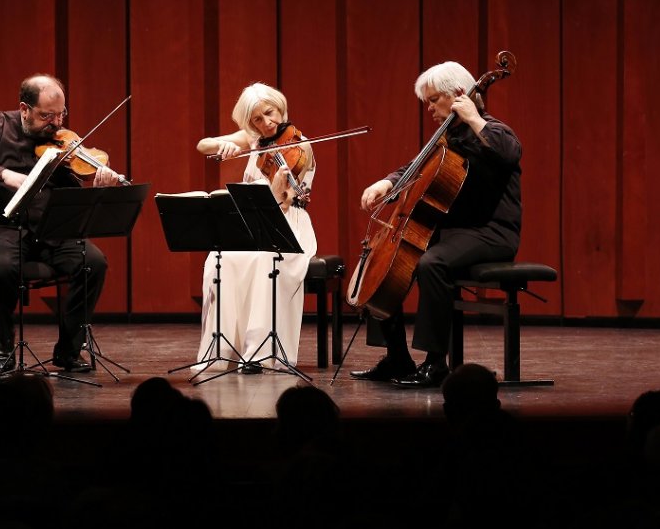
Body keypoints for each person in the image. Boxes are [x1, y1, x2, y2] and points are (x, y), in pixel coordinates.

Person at [351, 61, 522, 388]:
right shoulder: (449, 138)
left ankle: (435, 363)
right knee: (386, 261)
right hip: (454, 234)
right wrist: (387, 183)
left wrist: (472, 117)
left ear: (458, 95)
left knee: (432, 263)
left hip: (492, 232)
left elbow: (511, 153)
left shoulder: (492, 130)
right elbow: (414, 168)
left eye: (433, 100)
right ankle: (397, 357)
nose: (428, 108)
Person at [0, 74, 124, 373]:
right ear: (24, 109)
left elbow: (72, 188)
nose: (56, 123)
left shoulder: (62, 141)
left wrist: (98, 182)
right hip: (0, 227)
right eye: (47, 116)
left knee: (94, 262)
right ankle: (4, 342)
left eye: (61, 114)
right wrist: (3, 174)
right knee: (3, 269)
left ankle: (68, 349)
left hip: (51, 230)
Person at [194, 83, 317, 373]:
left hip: (287, 226)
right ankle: (223, 349)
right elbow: (202, 145)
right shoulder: (253, 138)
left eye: (270, 114)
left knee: (265, 259)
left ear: (280, 106)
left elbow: (284, 203)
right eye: (257, 120)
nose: (267, 124)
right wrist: (221, 145)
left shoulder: (302, 146)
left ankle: (259, 352)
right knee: (218, 259)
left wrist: (278, 191)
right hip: (249, 224)